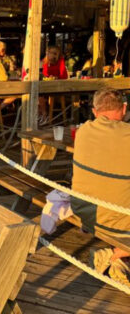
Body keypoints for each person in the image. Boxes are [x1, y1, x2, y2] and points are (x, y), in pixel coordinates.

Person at [73, 89, 130, 286]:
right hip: (116, 221)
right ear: (124, 109)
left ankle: (118, 259)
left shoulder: (83, 131)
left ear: (95, 112)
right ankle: (115, 255)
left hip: (86, 215)